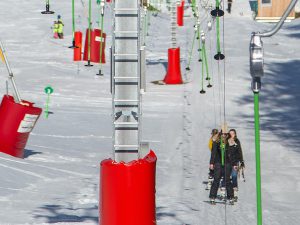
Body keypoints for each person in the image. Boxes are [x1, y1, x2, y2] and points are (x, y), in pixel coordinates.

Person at [209, 130, 234, 205]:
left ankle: (230, 197)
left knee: (227, 181)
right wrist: (211, 163)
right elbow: (213, 153)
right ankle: (212, 197)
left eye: (225, 134)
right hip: (218, 163)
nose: (224, 135)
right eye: (222, 134)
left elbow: (234, 153)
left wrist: (235, 163)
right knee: (216, 180)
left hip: (227, 163)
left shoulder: (230, 142)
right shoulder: (216, 142)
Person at [227, 128, 245, 200]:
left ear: (235, 134)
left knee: (234, 175)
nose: (231, 135)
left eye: (233, 133)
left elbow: (239, 151)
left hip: (235, 162)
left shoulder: (237, 141)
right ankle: (229, 192)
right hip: (227, 162)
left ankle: (235, 189)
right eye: (230, 133)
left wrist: (242, 161)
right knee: (227, 177)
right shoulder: (226, 141)